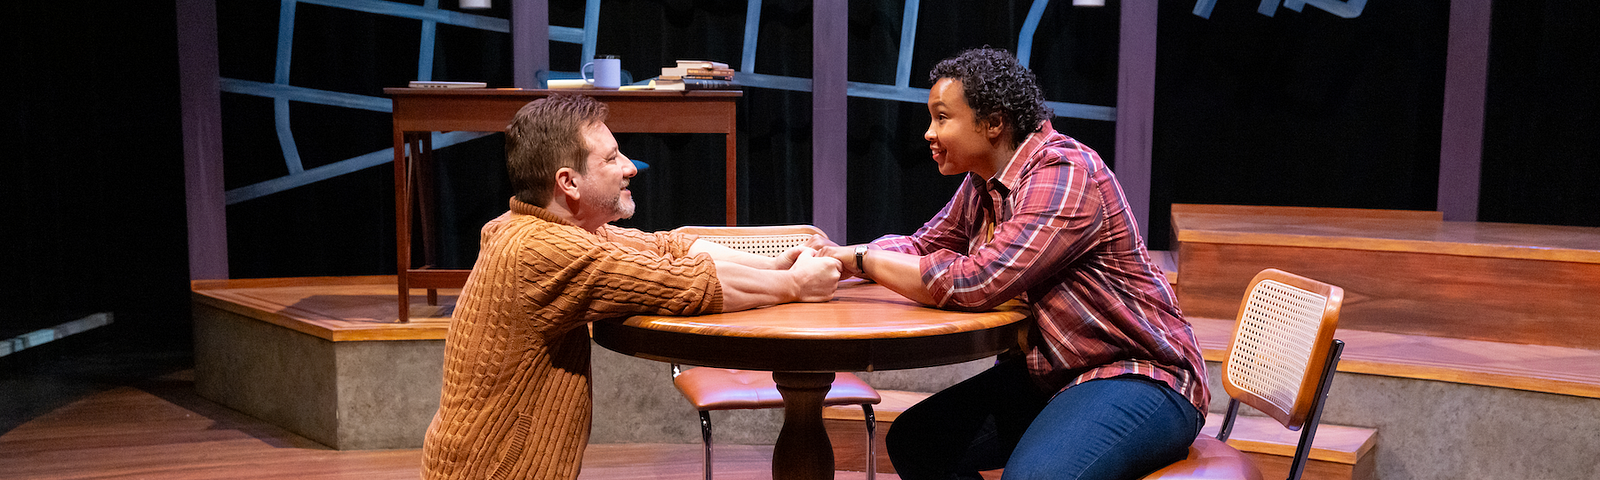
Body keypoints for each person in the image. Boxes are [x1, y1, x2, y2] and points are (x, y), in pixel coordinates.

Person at [814, 48, 1209, 480]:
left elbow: (976, 281)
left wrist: (863, 259)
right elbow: (923, 245)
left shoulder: (1062, 174)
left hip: (1139, 376)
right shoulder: (985, 183)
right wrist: (841, 257)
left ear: (994, 123)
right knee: (917, 442)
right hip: (1056, 377)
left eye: (942, 118)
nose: (928, 132)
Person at [420, 94, 842, 480]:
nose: (629, 168)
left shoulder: (552, 226)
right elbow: (685, 282)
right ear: (568, 182)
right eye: (611, 158)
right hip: (494, 470)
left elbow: (669, 248)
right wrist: (792, 285)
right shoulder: (541, 250)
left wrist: (771, 264)